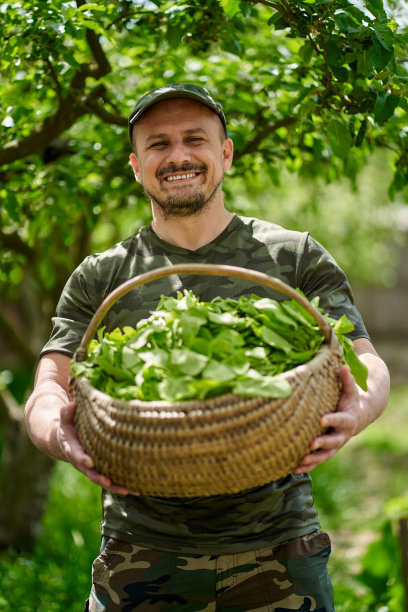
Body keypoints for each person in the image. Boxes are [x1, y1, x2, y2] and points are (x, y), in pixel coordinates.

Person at [25, 83, 390, 611]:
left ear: (226, 152)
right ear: (135, 164)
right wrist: (60, 434)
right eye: (158, 144)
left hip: (278, 550)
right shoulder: (103, 276)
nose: (178, 156)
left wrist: (359, 408)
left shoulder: (293, 257)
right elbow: (48, 384)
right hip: (139, 554)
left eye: (194, 139)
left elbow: (366, 360)